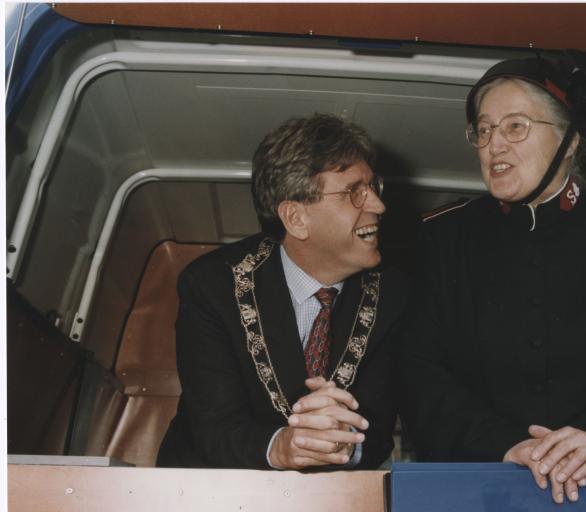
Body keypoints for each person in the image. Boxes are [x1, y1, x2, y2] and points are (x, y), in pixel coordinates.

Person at [400, 55, 586, 503]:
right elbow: (420, 372)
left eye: (515, 127)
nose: (493, 146)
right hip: (482, 489)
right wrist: (505, 446)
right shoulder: (444, 236)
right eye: (483, 131)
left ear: (570, 139)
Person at [157, 113, 406, 470]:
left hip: (320, 505)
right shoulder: (212, 285)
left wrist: (347, 448)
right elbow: (215, 426)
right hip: (205, 492)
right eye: (355, 193)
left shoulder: (394, 296)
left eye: (373, 188)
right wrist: (282, 448)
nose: (379, 206)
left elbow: (378, 428)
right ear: (296, 218)